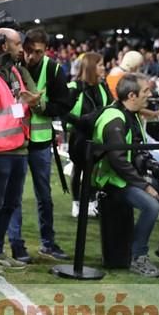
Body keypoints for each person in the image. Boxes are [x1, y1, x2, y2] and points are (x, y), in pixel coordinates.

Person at [0, 28, 45, 275]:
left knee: (10, 203)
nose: (21, 49)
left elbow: (30, 103)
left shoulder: (16, 71)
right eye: (16, 44)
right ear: (3, 45)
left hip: (19, 148)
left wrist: (30, 101)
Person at [92, 73, 159, 277]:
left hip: (126, 177)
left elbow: (140, 152)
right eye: (146, 91)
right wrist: (145, 185)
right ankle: (138, 257)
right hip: (111, 180)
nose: (150, 95)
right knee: (151, 205)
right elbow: (118, 161)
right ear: (132, 95)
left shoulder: (133, 115)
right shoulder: (114, 118)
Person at [6, 28, 73, 263]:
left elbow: (64, 105)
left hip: (40, 143)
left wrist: (41, 107)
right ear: (22, 47)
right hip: (15, 141)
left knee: (44, 196)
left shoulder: (53, 69)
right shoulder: (10, 68)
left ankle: (48, 243)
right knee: (14, 196)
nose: (32, 56)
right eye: (29, 51)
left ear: (45, 50)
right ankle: (16, 243)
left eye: (38, 52)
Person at [66, 52, 114, 218]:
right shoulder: (75, 87)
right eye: (100, 65)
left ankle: (92, 201)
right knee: (78, 168)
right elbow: (63, 112)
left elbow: (110, 107)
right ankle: (76, 202)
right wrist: (83, 122)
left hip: (98, 136)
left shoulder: (103, 87)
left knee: (94, 170)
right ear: (91, 67)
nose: (103, 68)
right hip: (79, 136)